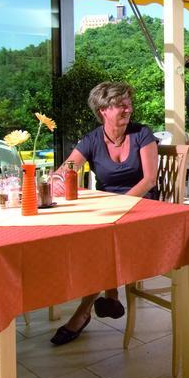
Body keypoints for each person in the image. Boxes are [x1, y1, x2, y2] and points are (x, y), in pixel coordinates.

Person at [49, 81, 159, 346]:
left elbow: (149, 181)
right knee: (97, 239)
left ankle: (83, 312)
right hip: (109, 212)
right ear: (102, 110)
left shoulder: (142, 134)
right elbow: (65, 170)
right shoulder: (92, 139)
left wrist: (117, 207)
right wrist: (56, 178)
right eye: (120, 105)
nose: (128, 108)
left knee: (103, 239)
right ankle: (109, 297)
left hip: (143, 206)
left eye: (129, 103)